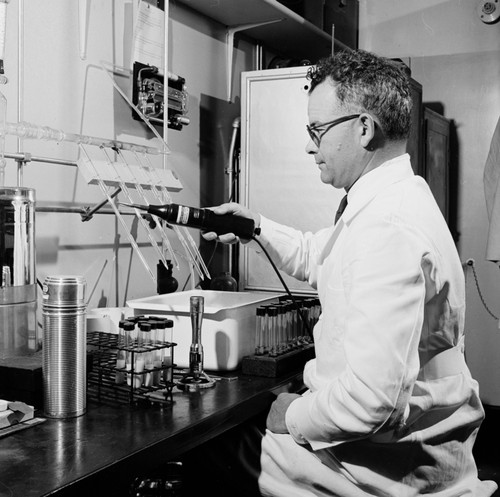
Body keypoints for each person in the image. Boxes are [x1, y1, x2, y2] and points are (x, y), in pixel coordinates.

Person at [196, 49, 498, 496]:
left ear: (363, 128)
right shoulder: (396, 198)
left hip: (374, 468)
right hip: (406, 449)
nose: (308, 144)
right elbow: (326, 258)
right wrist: (254, 227)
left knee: (206, 453)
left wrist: (292, 415)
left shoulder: (387, 228)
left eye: (316, 130)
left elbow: (372, 402)